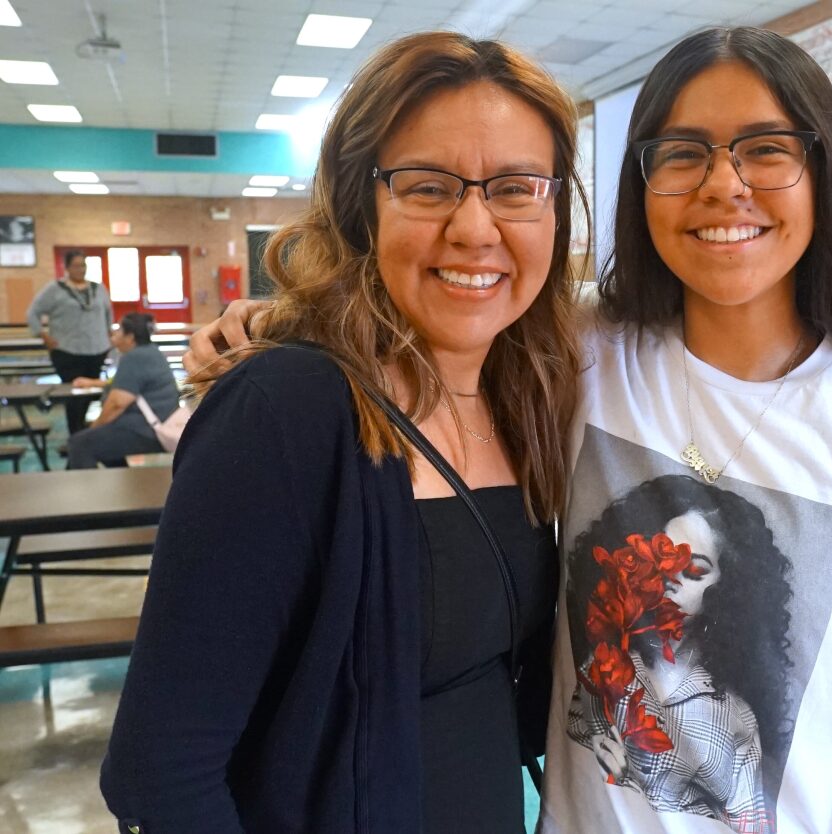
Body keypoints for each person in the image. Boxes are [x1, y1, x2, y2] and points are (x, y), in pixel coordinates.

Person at [189, 26, 832, 834]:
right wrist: (284, 323)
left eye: (766, 149)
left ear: (821, 173)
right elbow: (432, 315)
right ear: (641, 183)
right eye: (682, 152)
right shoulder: (576, 351)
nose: (723, 185)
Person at [101, 31, 585, 834]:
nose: (474, 227)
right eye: (428, 187)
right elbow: (163, 774)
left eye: (514, 187)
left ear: (554, 207)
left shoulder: (529, 393)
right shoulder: (286, 410)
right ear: (363, 204)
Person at [565, 474, 792, 833]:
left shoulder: (735, 720)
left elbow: (752, 827)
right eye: (661, 556)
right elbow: (574, 734)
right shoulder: (608, 661)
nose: (671, 575)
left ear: (730, 588)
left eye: (695, 569)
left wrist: (634, 783)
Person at [66, 312, 179, 468]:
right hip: (158, 424)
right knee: (102, 443)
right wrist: (93, 382)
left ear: (130, 337)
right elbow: (128, 384)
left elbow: (116, 404)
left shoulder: (134, 357)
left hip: (147, 431)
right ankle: (124, 486)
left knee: (80, 443)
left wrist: (96, 426)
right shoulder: (151, 352)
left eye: (119, 330)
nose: (114, 333)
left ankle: (90, 492)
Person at [26, 249, 114, 434]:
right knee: (74, 395)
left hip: (96, 350)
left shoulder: (99, 289)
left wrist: (108, 336)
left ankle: (82, 432)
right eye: (75, 265)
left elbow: (108, 315)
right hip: (67, 351)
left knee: (91, 393)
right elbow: (33, 312)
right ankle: (76, 434)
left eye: (83, 265)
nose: (80, 269)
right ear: (66, 267)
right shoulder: (54, 289)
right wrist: (43, 335)